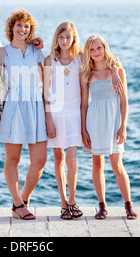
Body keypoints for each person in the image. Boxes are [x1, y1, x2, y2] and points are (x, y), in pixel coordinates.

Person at [0, 8, 47, 220]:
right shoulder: (2, 52)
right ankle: (17, 203)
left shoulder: (37, 51)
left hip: (35, 107)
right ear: (11, 27)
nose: (22, 29)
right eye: (19, 25)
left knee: (40, 159)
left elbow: (47, 81)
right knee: (13, 158)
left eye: (26, 26)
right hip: (13, 106)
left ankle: (23, 200)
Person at [82, 34, 137, 220]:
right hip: (94, 121)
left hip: (113, 120)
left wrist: (123, 126)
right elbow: (84, 105)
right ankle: (102, 206)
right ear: (87, 52)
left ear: (105, 48)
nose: (96, 52)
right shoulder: (87, 74)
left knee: (117, 165)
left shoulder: (118, 70)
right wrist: (83, 130)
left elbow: (124, 101)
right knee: (97, 163)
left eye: (99, 48)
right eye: (92, 49)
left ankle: (128, 205)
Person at [43, 21, 85, 219]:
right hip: (56, 115)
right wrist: (48, 120)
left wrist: (116, 73)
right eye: (61, 37)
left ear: (73, 38)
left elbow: (105, 61)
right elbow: (45, 93)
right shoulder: (50, 60)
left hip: (74, 115)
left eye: (68, 37)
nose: (65, 41)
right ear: (56, 38)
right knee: (58, 158)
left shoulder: (81, 58)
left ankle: (73, 199)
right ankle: (63, 203)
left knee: (71, 159)